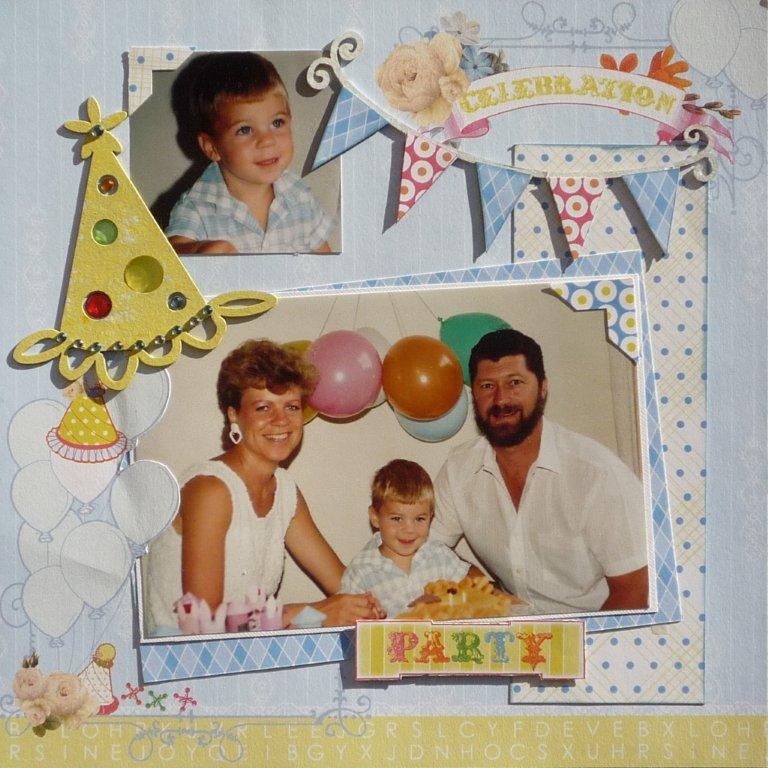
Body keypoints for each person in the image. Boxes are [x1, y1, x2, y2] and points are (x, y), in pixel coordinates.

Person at [144, 339, 382, 636]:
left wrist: (388, 601)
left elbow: (347, 585)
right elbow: (203, 624)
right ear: (234, 414)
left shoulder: (285, 491)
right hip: (180, 656)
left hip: (244, 652)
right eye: (263, 407)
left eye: (291, 407)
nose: (281, 420)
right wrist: (316, 612)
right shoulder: (210, 490)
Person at [430, 328, 649, 615]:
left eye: (515, 383)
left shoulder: (597, 474)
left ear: (543, 388)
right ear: (475, 396)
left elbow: (636, 591)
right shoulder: (459, 469)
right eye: (487, 386)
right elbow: (423, 552)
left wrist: (572, 644)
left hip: (592, 628)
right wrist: (487, 593)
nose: (501, 399)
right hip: (515, 631)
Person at [165, 52, 334, 255]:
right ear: (212, 147)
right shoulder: (197, 206)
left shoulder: (300, 196)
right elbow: (170, 252)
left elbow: (326, 259)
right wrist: (199, 250)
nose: (267, 140)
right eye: (245, 129)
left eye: (277, 123)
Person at [340, 459, 470, 619]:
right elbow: (350, 623)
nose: (409, 529)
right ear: (375, 517)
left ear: (431, 517)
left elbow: (469, 598)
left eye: (420, 519)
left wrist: (448, 602)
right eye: (397, 518)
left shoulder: (442, 556)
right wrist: (371, 618)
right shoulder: (361, 571)